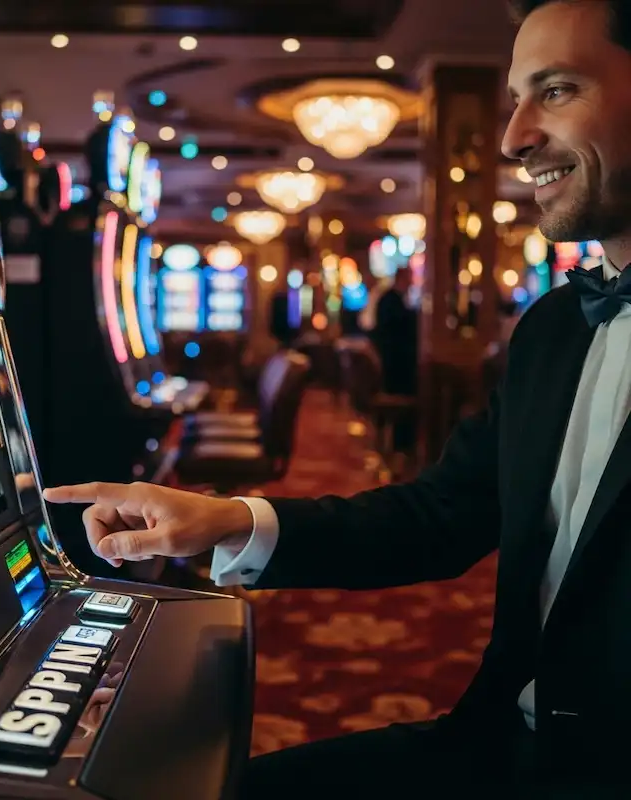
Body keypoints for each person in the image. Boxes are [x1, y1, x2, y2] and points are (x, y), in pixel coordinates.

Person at [44, 1, 631, 794]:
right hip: (501, 739)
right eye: (516, 97)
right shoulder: (556, 328)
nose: (513, 137)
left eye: (557, 90)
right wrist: (231, 519)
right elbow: (441, 516)